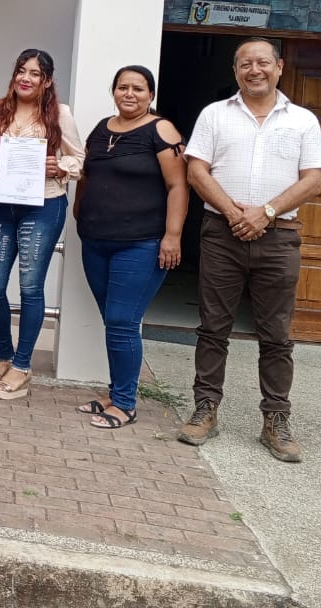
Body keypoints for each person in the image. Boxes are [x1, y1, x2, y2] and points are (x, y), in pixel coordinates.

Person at [177, 38, 321, 463]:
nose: (254, 70)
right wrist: (232, 212)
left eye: (263, 62)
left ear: (279, 67)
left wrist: (266, 212)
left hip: (279, 237)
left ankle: (276, 421)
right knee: (213, 327)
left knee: (276, 334)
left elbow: (313, 179)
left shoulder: (302, 120)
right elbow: (196, 170)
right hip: (221, 234)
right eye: (246, 63)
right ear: (235, 70)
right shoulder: (215, 114)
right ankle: (205, 409)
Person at [73, 65, 186, 428]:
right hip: (95, 241)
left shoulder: (161, 130)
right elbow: (87, 176)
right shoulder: (101, 129)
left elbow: (178, 186)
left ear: (150, 94)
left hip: (140, 244)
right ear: (114, 91)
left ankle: (125, 403)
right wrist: (80, 214)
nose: (129, 94)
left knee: (123, 321)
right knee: (114, 322)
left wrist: (172, 235)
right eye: (123, 87)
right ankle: (116, 392)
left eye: (138, 88)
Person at [0, 49, 83, 400]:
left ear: (47, 80)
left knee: (30, 286)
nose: (26, 78)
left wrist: (60, 167)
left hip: (44, 206)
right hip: (3, 206)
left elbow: (80, 159)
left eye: (35, 73)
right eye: (22, 70)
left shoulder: (60, 113)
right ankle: (4, 355)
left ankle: (22, 365)